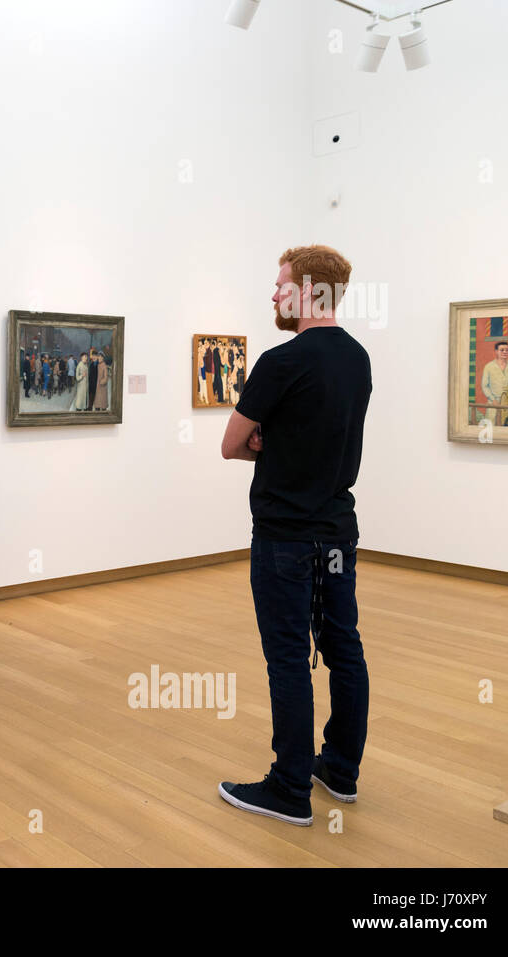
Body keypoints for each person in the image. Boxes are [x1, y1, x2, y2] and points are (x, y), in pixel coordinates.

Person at [218, 244, 372, 828]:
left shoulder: (282, 361)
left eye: (282, 285)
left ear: (312, 291)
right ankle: (340, 769)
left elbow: (231, 443)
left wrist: (262, 441)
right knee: (343, 648)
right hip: (337, 535)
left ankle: (288, 788)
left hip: (284, 537)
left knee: (287, 658)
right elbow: (323, 433)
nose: (275, 294)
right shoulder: (357, 360)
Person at [481, 341, 508, 426]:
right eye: (502, 350)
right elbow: (484, 386)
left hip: (506, 403)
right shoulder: (489, 366)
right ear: (496, 351)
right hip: (492, 403)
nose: (505, 352)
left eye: (507, 350)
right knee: (490, 427)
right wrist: (493, 400)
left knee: (505, 427)